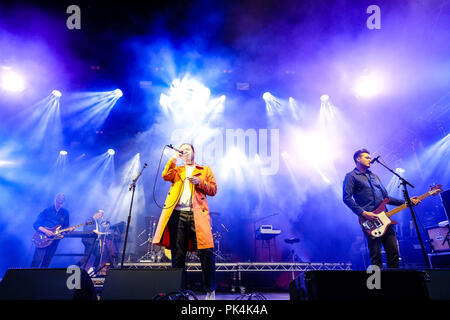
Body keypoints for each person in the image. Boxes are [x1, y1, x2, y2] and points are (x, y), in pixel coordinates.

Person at [153, 143, 217, 300]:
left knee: (206, 252)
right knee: (178, 254)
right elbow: (166, 175)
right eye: (182, 149)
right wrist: (174, 158)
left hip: (197, 214)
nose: (185, 151)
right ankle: (179, 292)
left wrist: (199, 183)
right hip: (178, 215)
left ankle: (210, 290)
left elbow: (213, 190)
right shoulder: (177, 170)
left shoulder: (205, 170)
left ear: (194, 152)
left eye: (187, 149)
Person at [343, 149, 420, 269]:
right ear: (358, 159)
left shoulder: (374, 176)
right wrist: (363, 213)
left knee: (394, 252)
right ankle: (377, 287)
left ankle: (393, 284)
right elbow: (346, 198)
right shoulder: (351, 176)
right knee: (376, 256)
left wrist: (407, 202)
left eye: (369, 157)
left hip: (385, 218)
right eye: (366, 157)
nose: (370, 159)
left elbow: (386, 198)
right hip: (369, 220)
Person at [31, 193, 74, 268]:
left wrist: (68, 230)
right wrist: (46, 231)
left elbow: (65, 227)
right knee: (37, 260)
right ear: (55, 200)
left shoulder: (65, 213)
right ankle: (29, 278)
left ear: (63, 203)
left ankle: (41, 279)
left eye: (61, 203)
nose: (59, 204)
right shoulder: (47, 210)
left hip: (54, 240)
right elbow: (36, 224)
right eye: (57, 202)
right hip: (42, 238)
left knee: (47, 261)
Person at [77, 209, 112, 274]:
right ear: (96, 213)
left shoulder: (97, 222)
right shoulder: (89, 220)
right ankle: (76, 267)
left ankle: (92, 270)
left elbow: (98, 231)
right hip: (89, 241)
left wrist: (104, 233)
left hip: (94, 242)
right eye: (100, 215)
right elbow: (91, 230)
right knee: (86, 257)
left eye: (101, 216)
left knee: (98, 255)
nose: (100, 217)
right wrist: (101, 233)